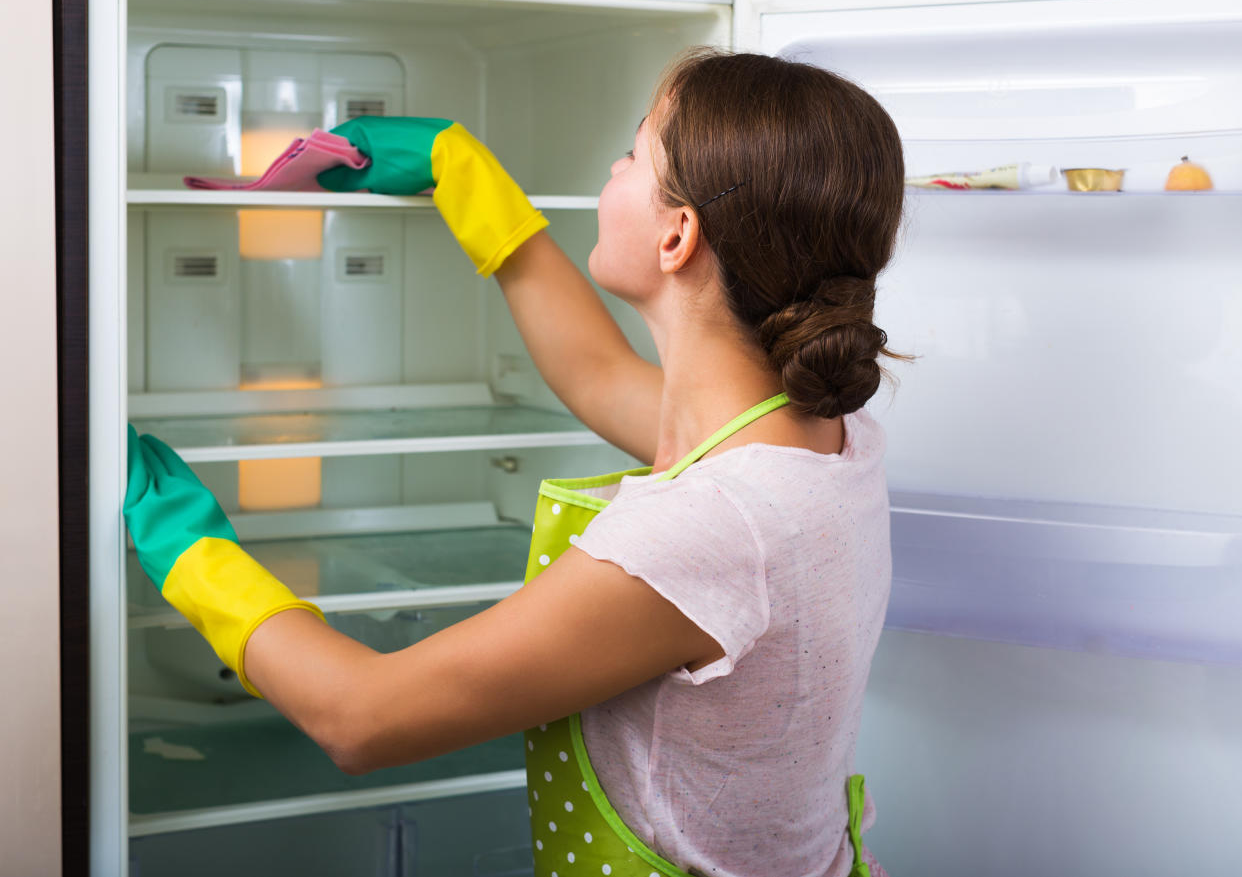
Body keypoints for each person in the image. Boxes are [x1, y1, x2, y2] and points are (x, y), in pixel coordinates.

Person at [124, 49, 905, 877]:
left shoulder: (708, 529)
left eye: (635, 153)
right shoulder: (818, 439)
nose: (614, 165)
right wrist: (467, 182)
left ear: (676, 234)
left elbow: (360, 716)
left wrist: (192, 552)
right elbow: (596, 373)